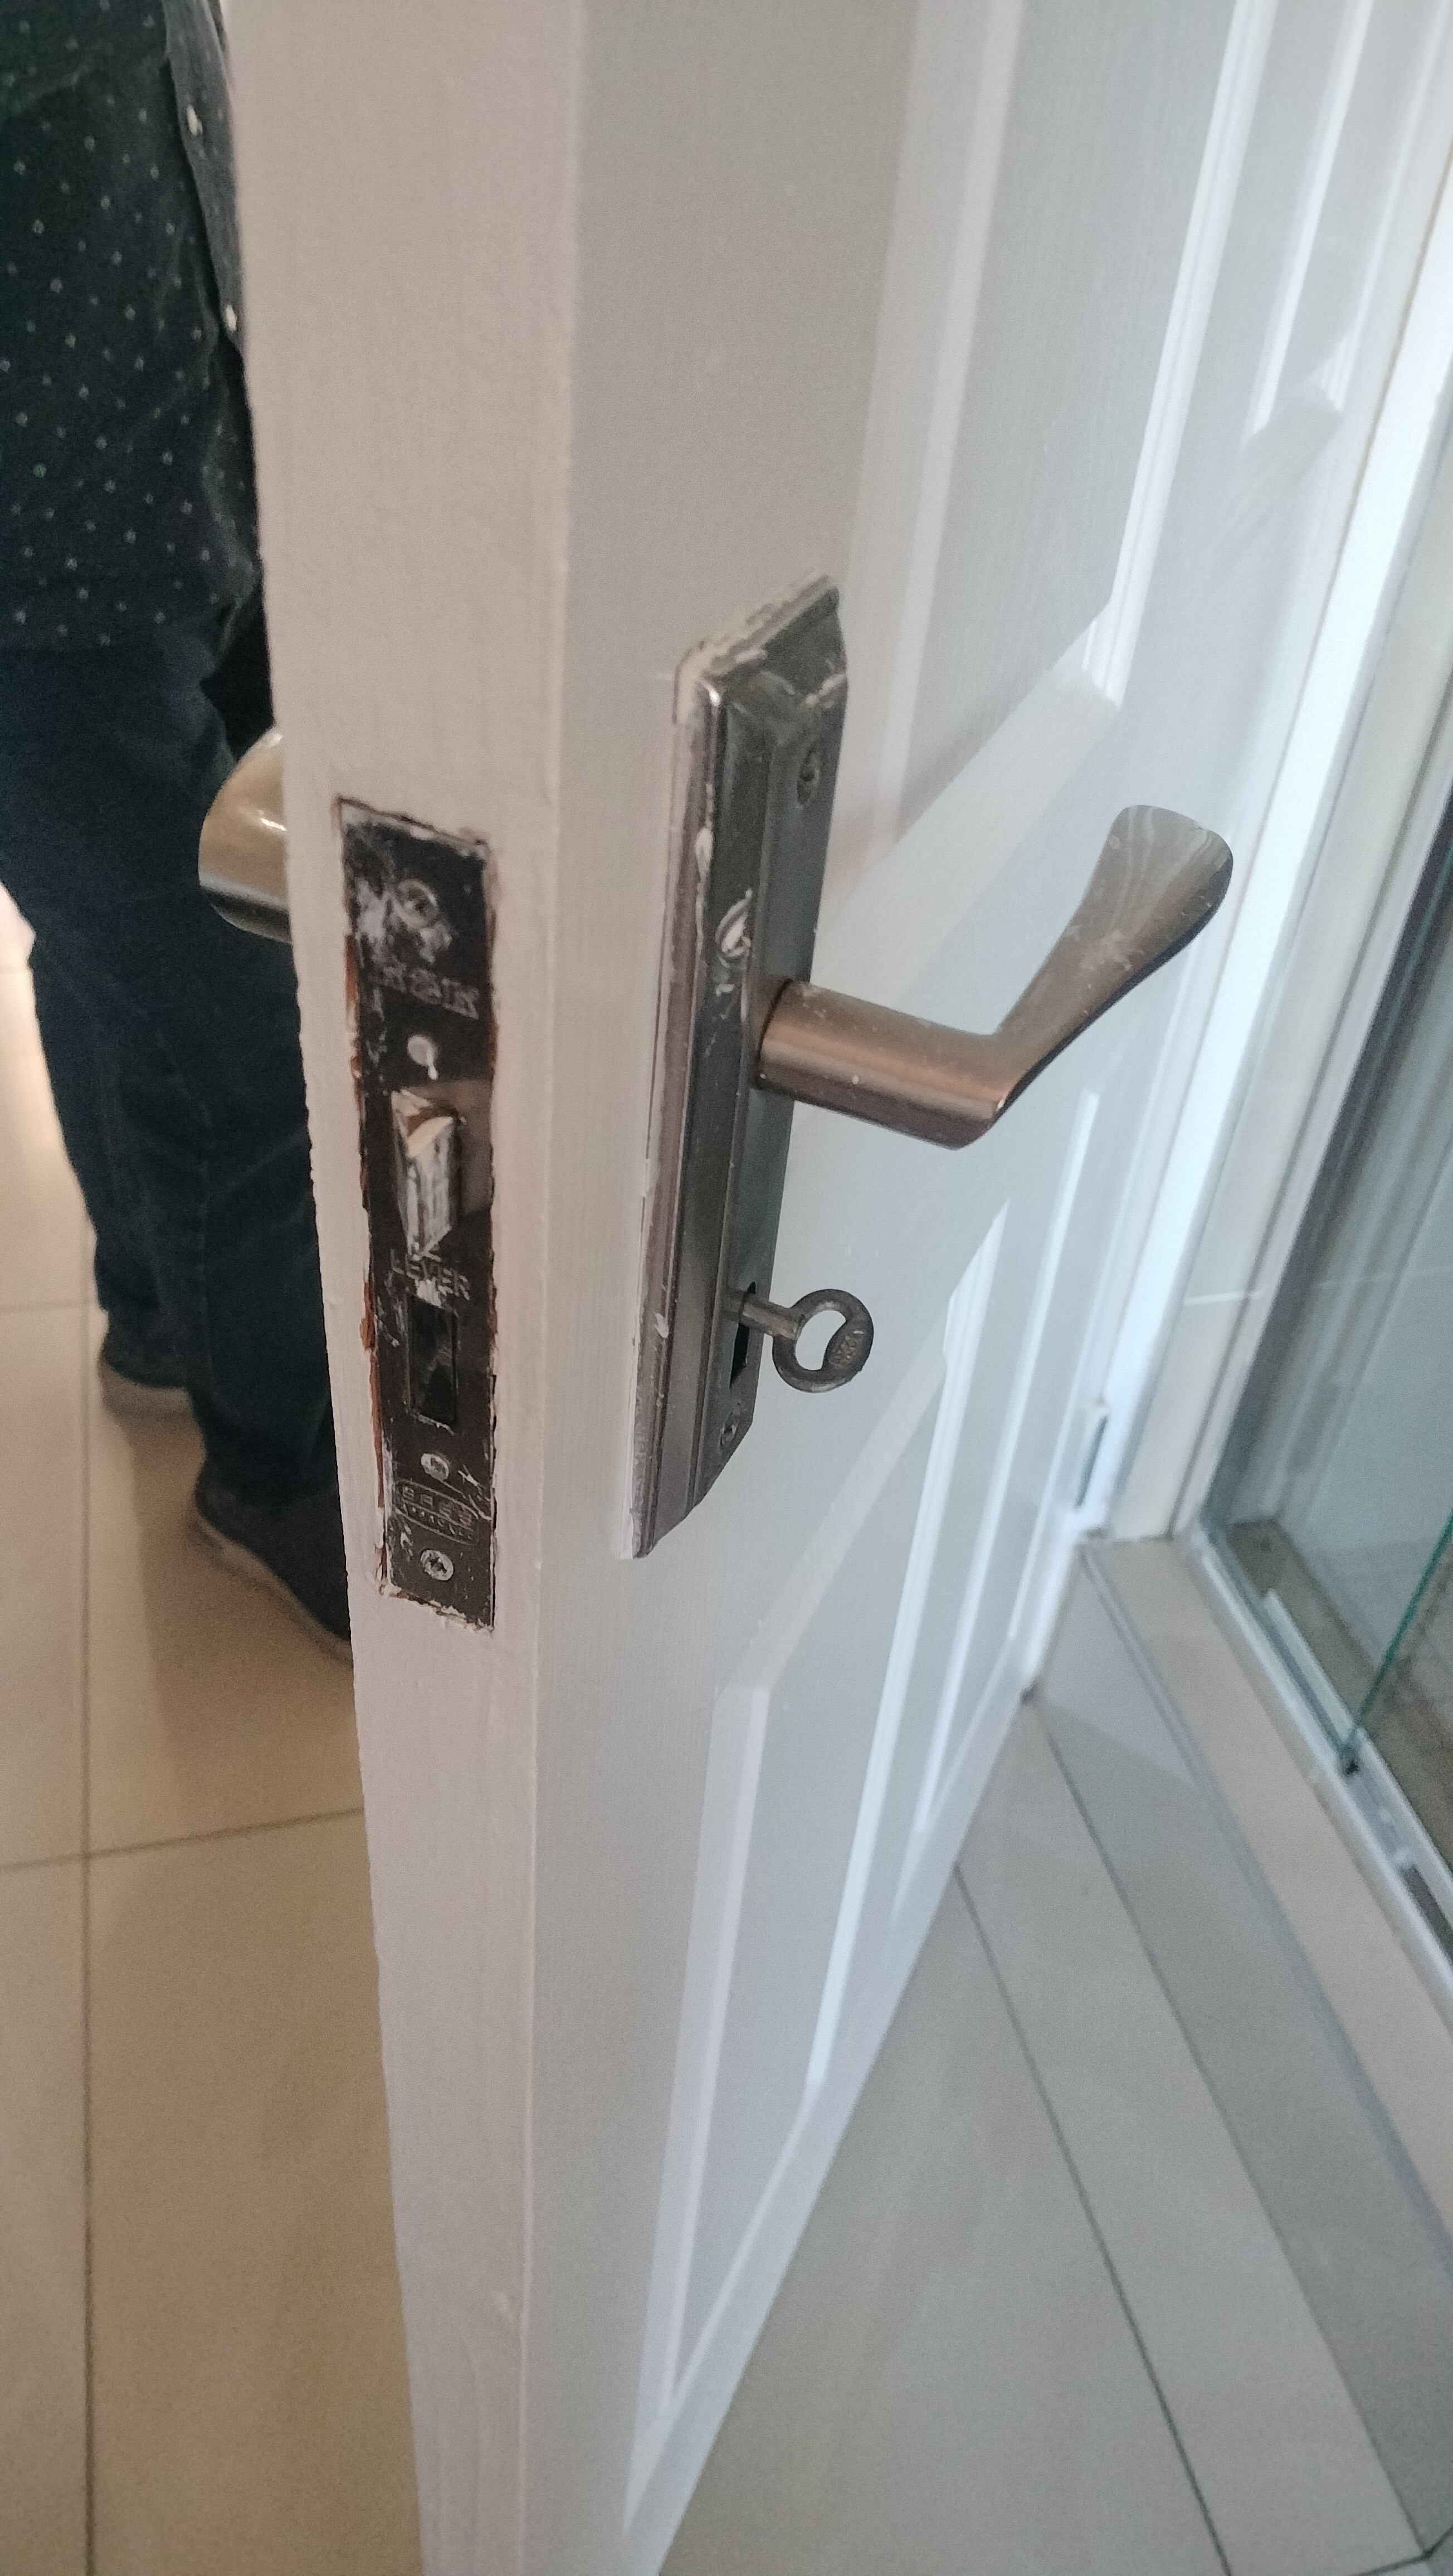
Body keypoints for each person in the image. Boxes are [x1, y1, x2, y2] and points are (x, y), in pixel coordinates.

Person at [0, 0, 348, 1656]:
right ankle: (273, 1473)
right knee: (243, 1053)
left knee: (114, 967)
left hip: (196, 492)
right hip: (31, 611)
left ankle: (155, 1313)